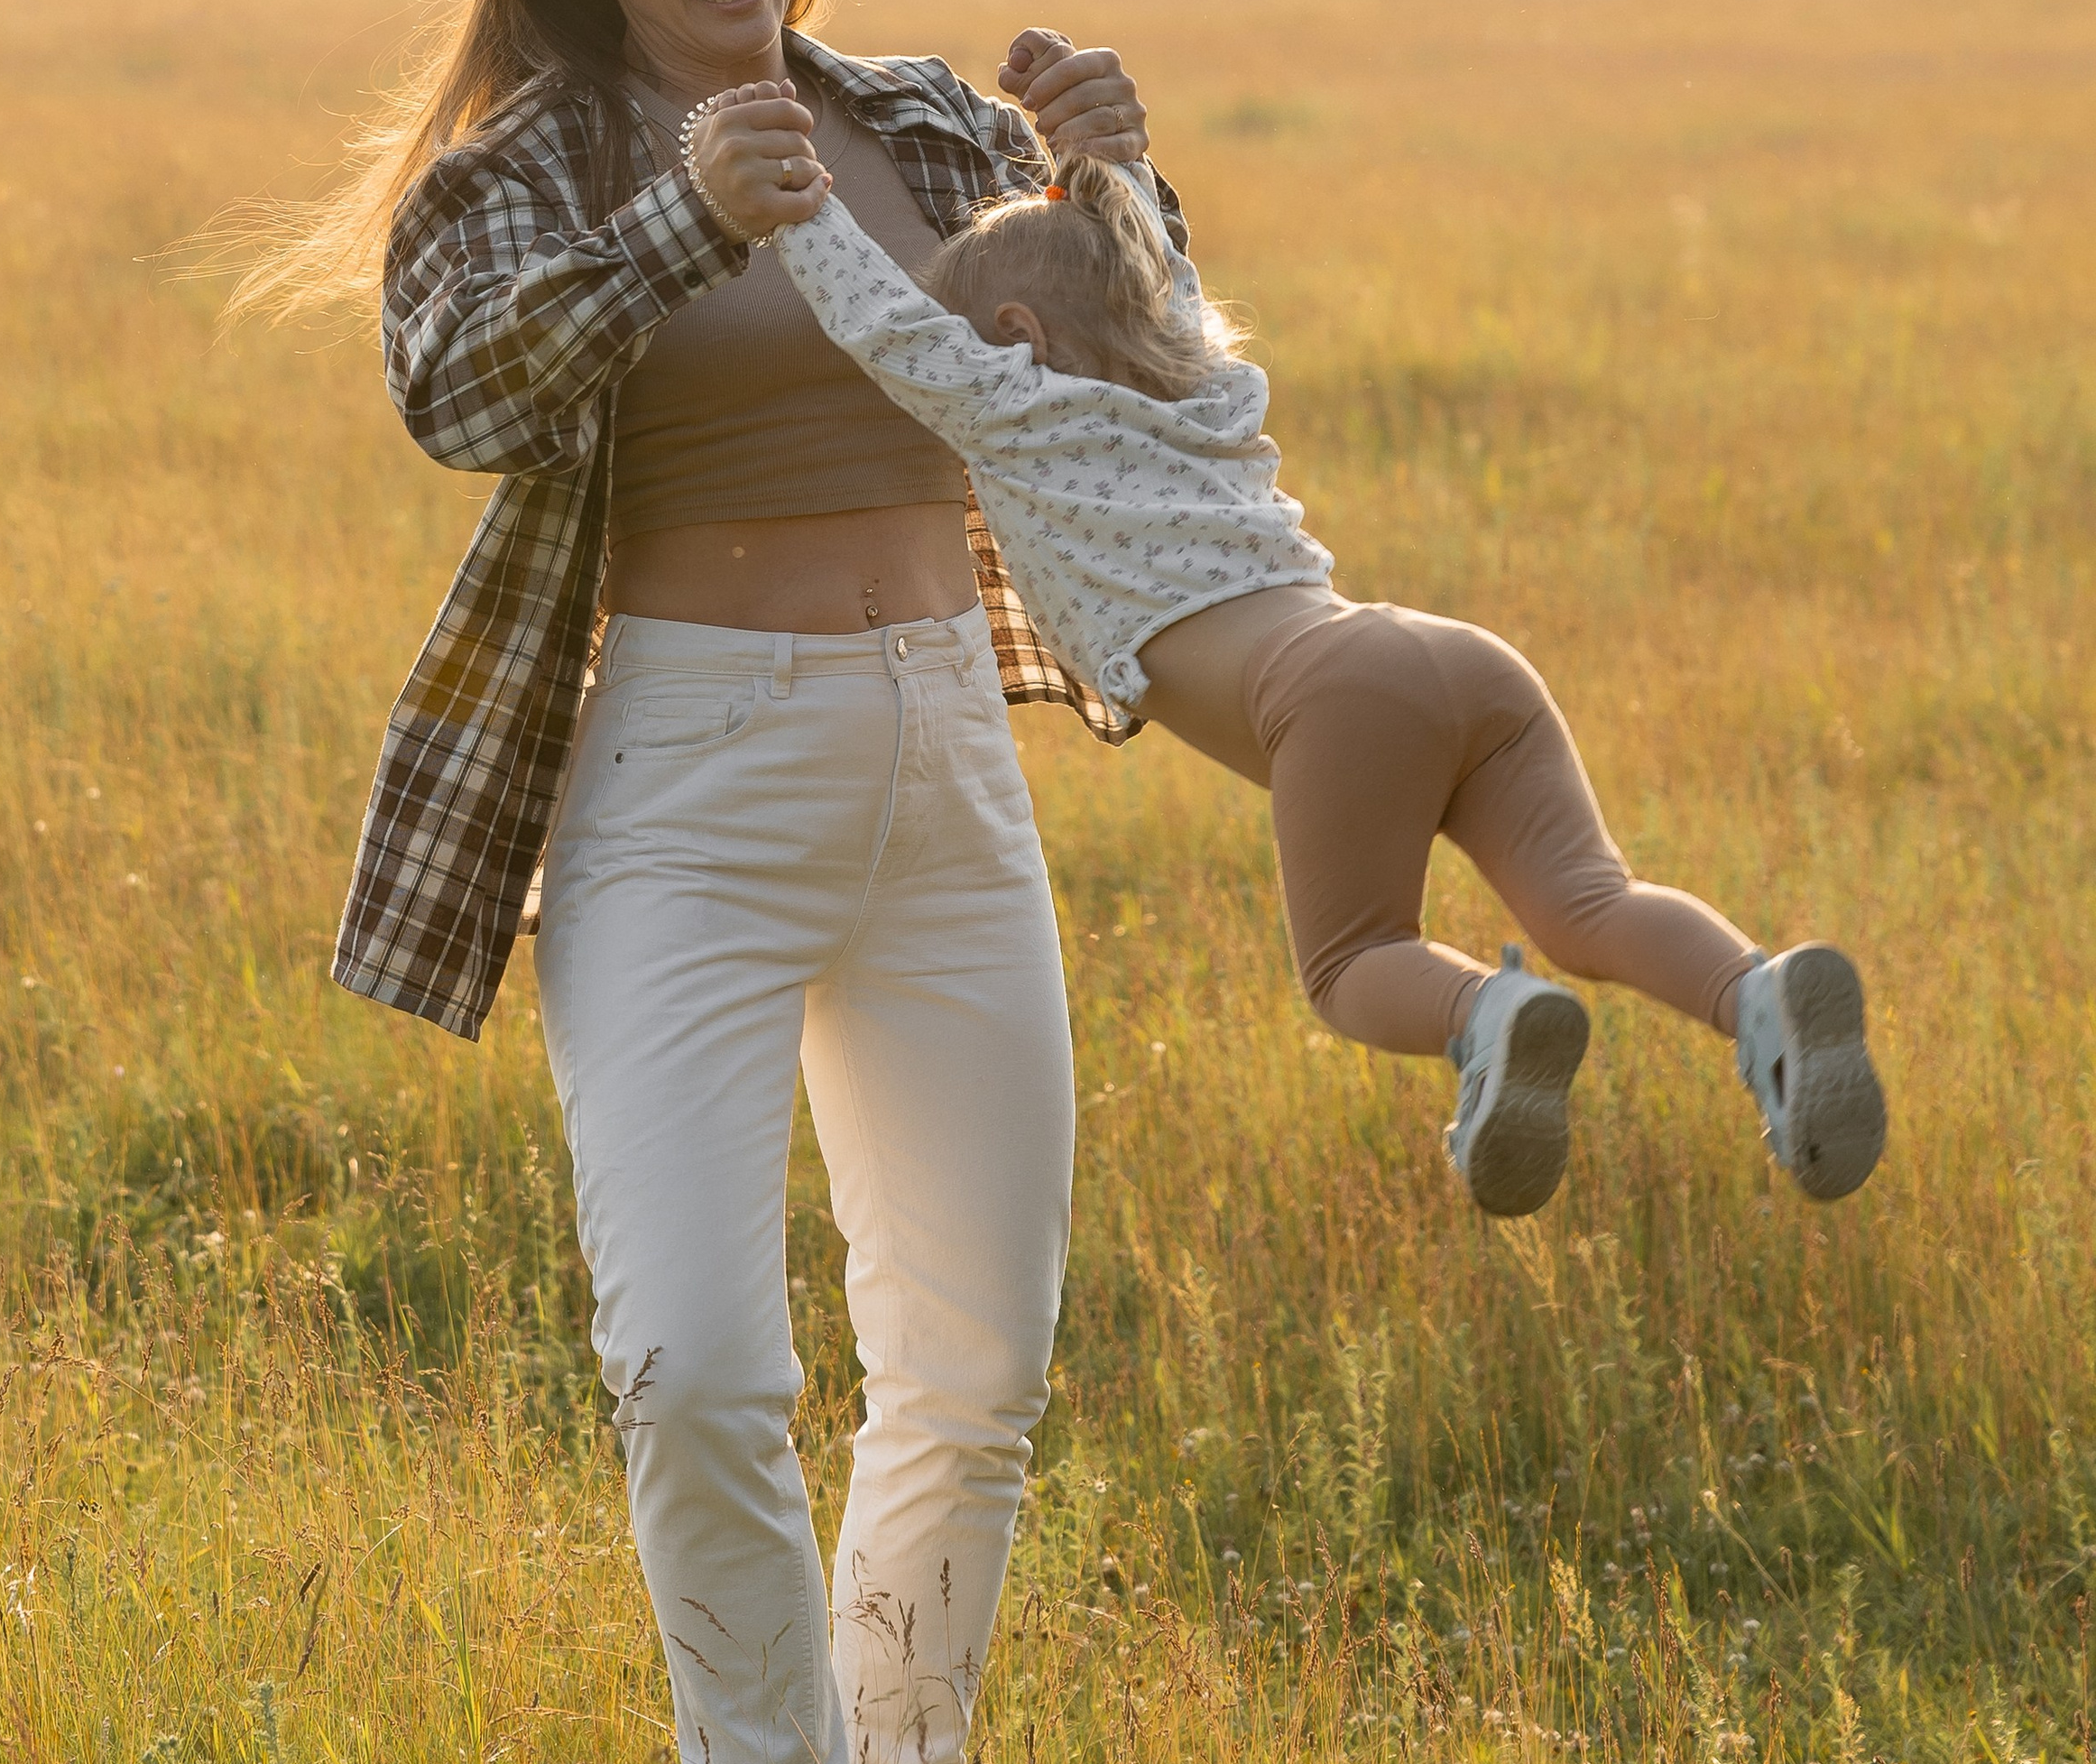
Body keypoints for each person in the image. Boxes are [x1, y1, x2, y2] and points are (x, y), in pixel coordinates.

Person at [234, 0, 1168, 1764]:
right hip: (680, 787)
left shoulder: (926, 126)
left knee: (972, 1360)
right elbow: (457, 392)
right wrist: (679, 218)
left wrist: (1122, 184)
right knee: (694, 1360)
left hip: (942, 756)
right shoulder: (530, 167)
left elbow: (1132, 375)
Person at [686, 106, 1888, 1221]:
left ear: (1013, 339)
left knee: (1352, 961)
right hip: (1456, 657)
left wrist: (787, 195)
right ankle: (1758, 997)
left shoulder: (1018, 404)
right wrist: (1102, 161)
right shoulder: (1209, 389)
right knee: (1591, 904)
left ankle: (1490, 1014)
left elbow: (882, 325)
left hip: (1329, 697)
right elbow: (1159, 272)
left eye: (975, 345)